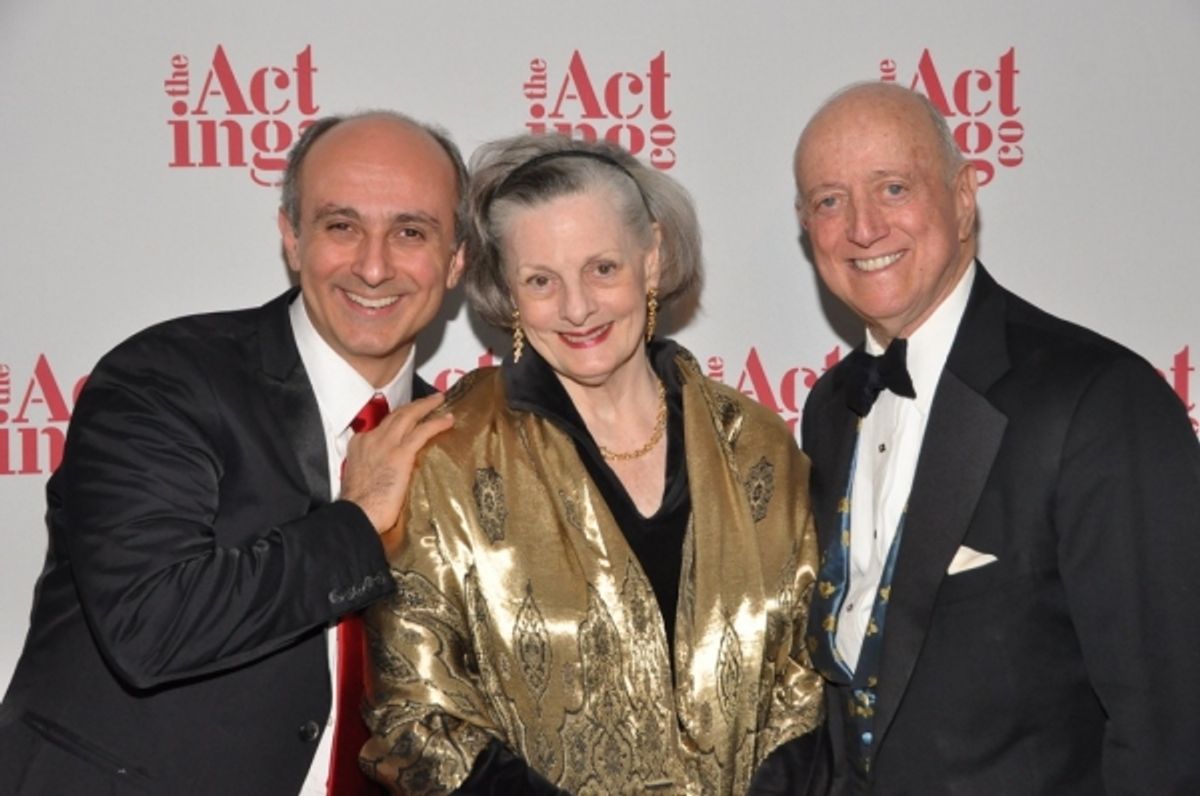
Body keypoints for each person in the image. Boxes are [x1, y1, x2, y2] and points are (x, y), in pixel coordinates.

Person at [0, 111, 466, 795]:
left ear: (456, 260)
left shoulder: (460, 445)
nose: (373, 264)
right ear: (291, 238)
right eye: (341, 226)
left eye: (411, 232)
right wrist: (358, 519)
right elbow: (149, 628)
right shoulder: (165, 381)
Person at [357, 134, 826, 794]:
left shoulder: (758, 446)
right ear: (507, 293)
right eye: (541, 280)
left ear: (653, 258)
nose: (577, 308)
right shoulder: (443, 458)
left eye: (602, 268)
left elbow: (808, 682)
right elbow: (414, 718)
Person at [793, 81, 1200, 794]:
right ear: (806, 228)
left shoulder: (1099, 401)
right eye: (830, 201)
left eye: (892, 188)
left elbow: (1170, 722)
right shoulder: (830, 409)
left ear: (962, 195)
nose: (862, 227)